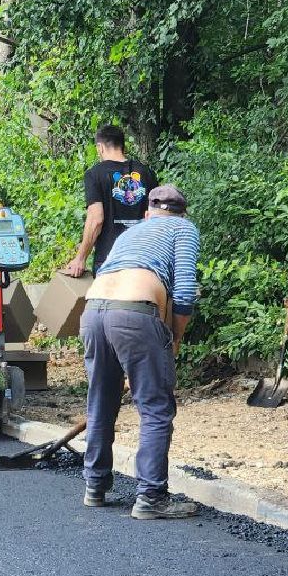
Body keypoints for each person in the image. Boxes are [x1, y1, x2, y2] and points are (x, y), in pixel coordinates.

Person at [79, 184, 201, 520]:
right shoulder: (183, 229)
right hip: (134, 312)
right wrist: (173, 340)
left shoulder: (131, 232)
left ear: (147, 213)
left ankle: (95, 485)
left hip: (93, 310)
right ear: (183, 214)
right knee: (156, 408)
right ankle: (151, 497)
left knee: (100, 400)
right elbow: (185, 291)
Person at [62, 124, 158, 277]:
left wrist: (80, 258)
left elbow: (96, 219)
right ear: (123, 146)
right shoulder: (147, 173)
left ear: (100, 147)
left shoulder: (95, 174)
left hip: (110, 261)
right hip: (143, 261)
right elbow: (157, 217)